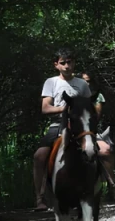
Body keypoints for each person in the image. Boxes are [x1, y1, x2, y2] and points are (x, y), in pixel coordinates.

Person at [32, 48, 92, 211]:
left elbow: (88, 106)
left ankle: (110, 188)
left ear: (74, 63)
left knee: (103, 150)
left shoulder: (82, 84)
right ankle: (40, 197)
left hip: (80, 125)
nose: (67, 65)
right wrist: (64, 109)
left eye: (69, 62)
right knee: (39, 156)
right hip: (57, 124)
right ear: (56, 65)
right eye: (63, 63)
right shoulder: (51, 82)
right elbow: (45, 108)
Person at [80, 71, 115, 203]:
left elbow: (96, 117)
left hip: (92, 132)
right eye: (83, 81)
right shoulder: (74, 95)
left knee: (105, 150)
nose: (86, 84)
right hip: (75, 132)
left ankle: (112, 188)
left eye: (88, 81)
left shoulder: (98, 97)